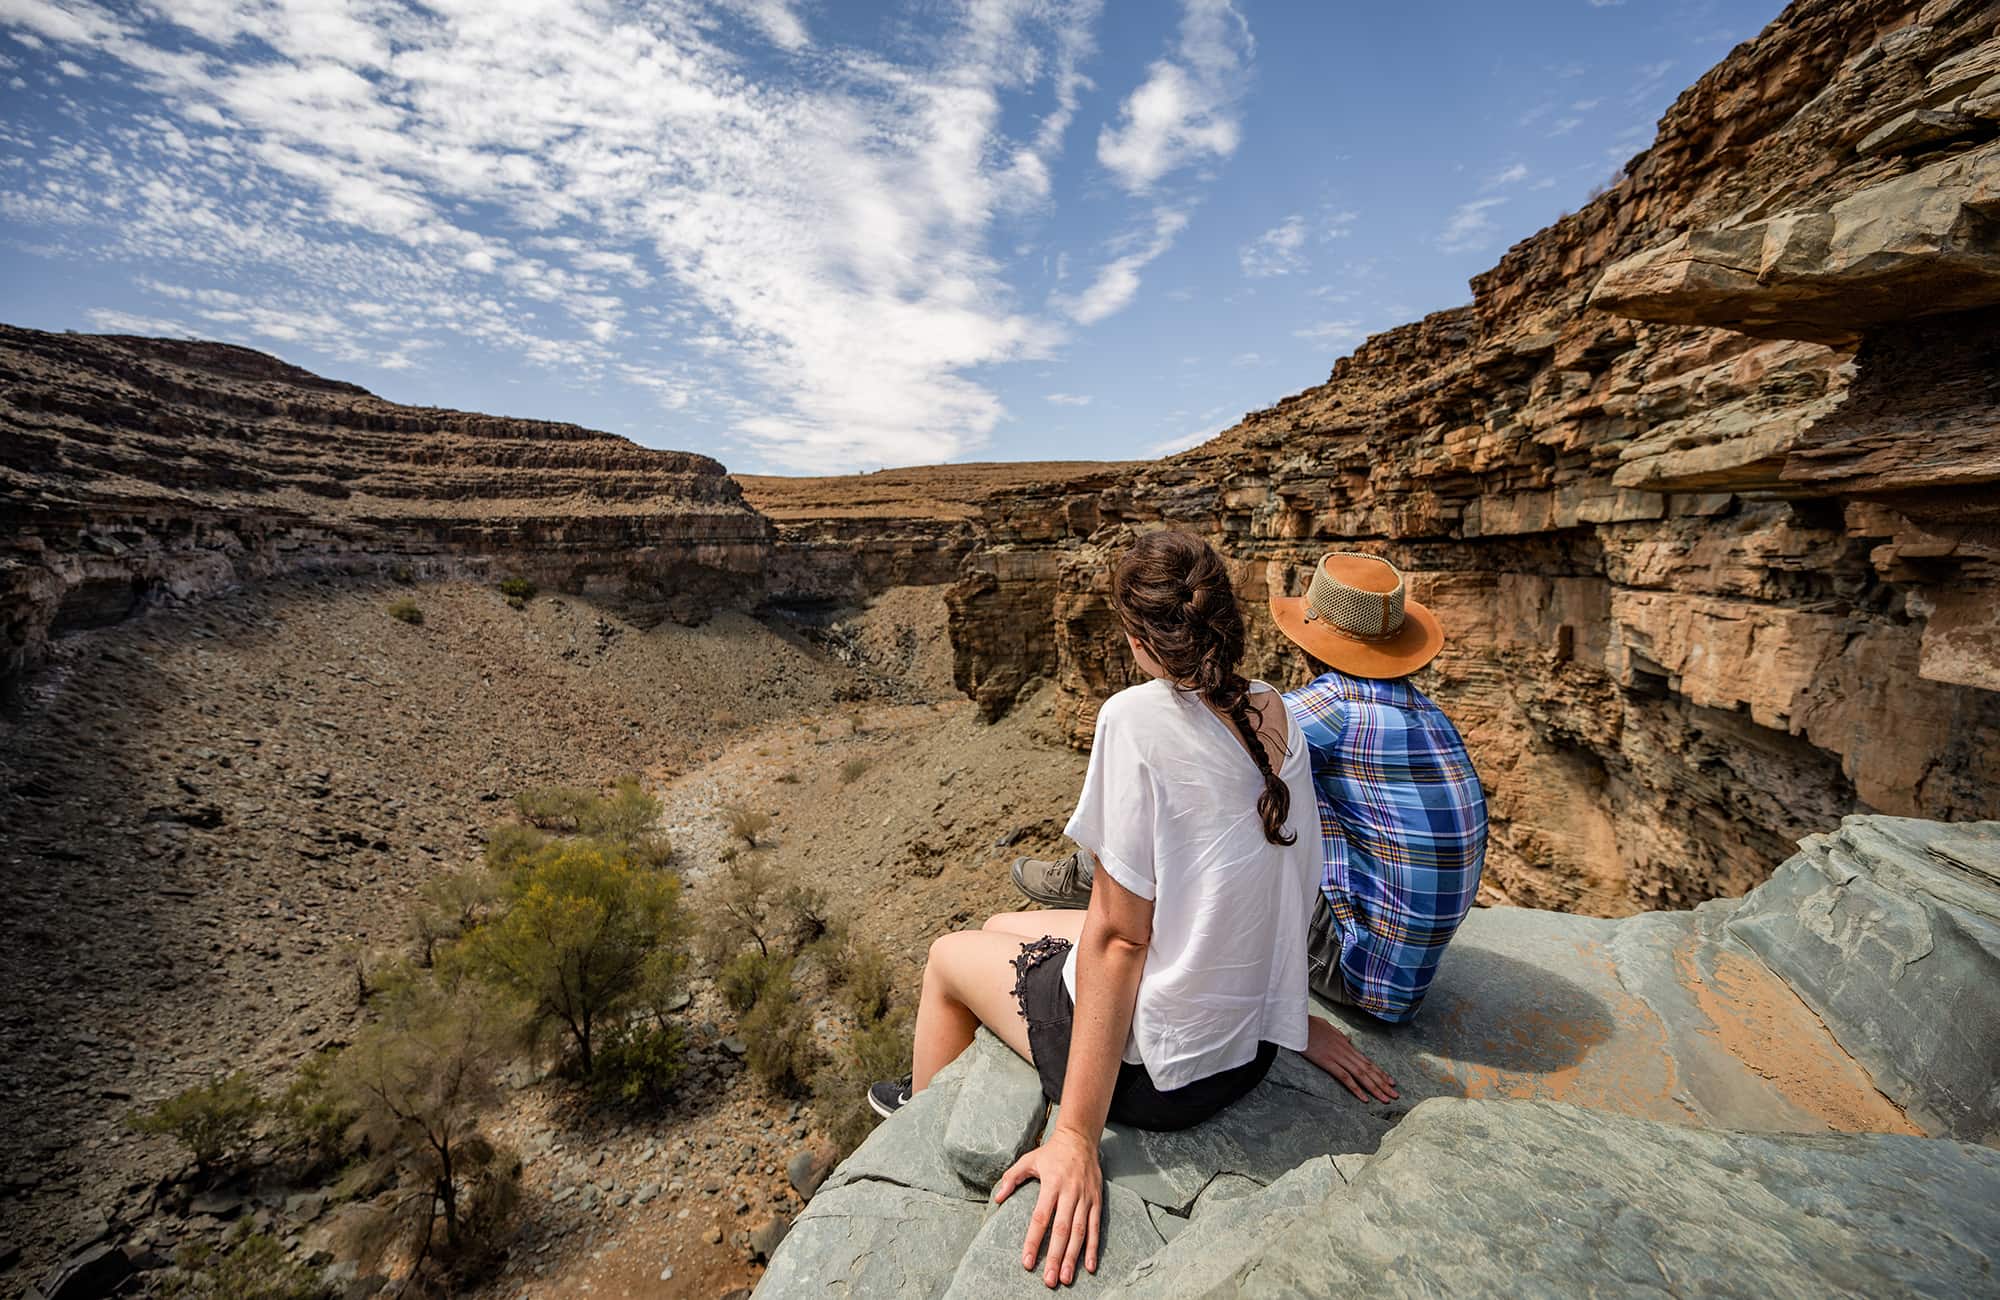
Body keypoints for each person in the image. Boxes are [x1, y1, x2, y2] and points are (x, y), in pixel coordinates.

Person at [871, 531, 1323, 1289]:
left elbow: (1117, 938)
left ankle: (917, 1118)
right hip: (1252, 1052)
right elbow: (1264, 887)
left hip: (1169, 1078)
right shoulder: (1276, 710)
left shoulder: (1135, 719)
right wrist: (1296, 1018)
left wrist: (1075, 1134)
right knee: (1003, 926)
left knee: (950, 955)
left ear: (1143, 640)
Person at [1015, 550, 1486, 1085]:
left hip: (1357, 969)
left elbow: (1205, 773)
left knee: (1206, 815)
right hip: (1411, 973)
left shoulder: (1320, 712)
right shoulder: (1426, 712)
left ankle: (1078, 875)